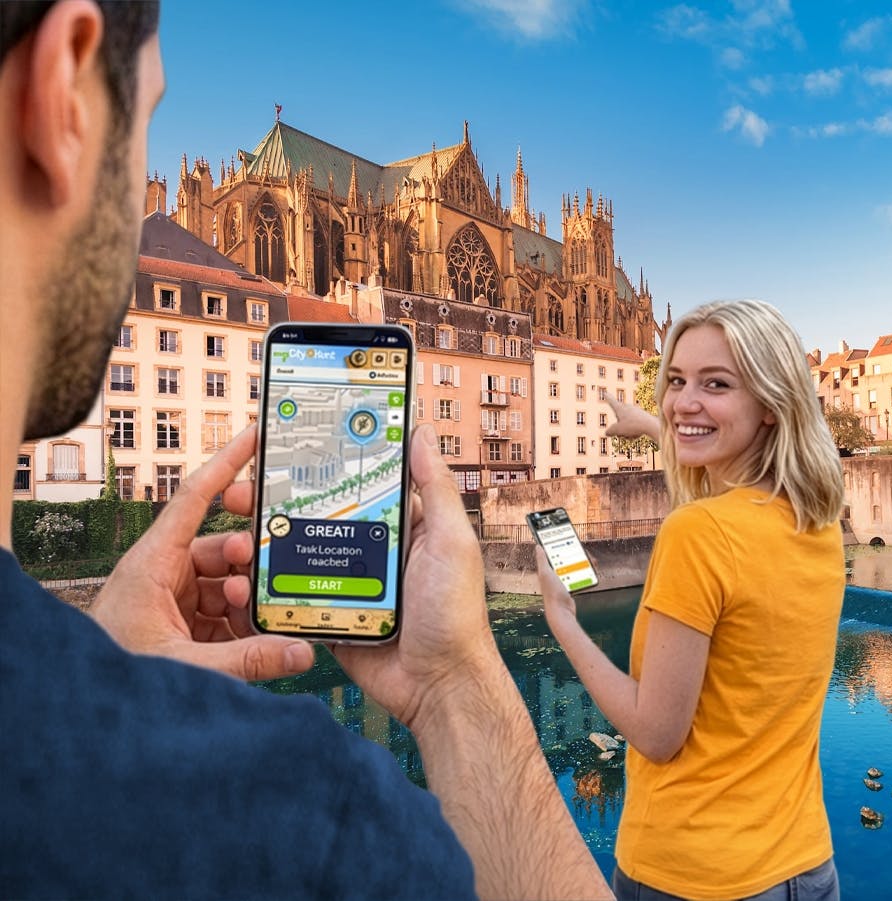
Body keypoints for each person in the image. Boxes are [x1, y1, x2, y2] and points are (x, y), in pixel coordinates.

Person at [0, 3, 611, 898]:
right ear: (64, 93)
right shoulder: (311, 823)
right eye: (147, 120)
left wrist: (100, 666)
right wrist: (457, 686)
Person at [537, 300, 847, 901]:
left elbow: (656, 734)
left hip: (693, 874)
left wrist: (564, 623)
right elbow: (727, 451)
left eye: (716, 384)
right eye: (676, 382)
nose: (682, 401)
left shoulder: (699, 534)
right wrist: (653, 425)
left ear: (770, 406)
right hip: (805, 864)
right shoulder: (818, 520)